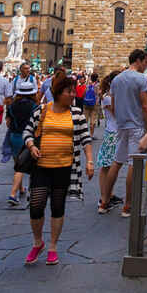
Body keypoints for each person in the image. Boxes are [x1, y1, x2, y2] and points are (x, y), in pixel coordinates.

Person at [21, 71, 94, 264]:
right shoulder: (42, 110)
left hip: (64, 166)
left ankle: (53, 246)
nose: (73, 95)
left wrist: (89, 161)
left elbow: (85, 138)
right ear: (59, 92)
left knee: (57, 206)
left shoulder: (76, 113)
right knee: (36, 206)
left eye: (73, 92)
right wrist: (31, 145)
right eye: (69, 92)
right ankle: (38, 243)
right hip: (41, 165)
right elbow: (28, 131)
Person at [98, 49, 147, 217]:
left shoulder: (117, 79)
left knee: (116, 162)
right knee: (133, 164)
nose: (146, 65)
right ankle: (128, 205)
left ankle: (104, 202)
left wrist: (121, 118)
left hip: (121, 126)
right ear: (139, 60)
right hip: (136, 125)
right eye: (145, 61)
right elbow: (144, 106)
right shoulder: (141, 79)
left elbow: (113, 105)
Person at [6, 82, 39, 206]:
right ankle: (13, 194)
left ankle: (20, 189)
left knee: (17, 163)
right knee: (22, 166)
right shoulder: (35, 106)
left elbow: (8, 122)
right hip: (28, 137)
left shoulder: (12, 106)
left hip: (14, 136)